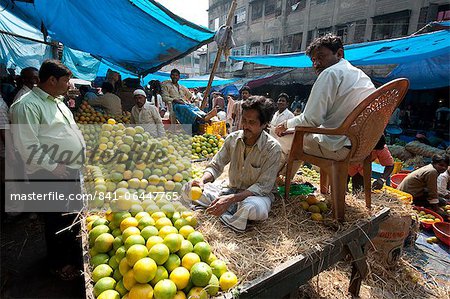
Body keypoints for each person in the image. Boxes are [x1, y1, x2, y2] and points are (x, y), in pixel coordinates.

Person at [10, 59, 86, 280]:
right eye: (66, 80)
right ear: (52, 80)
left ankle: (72, 256)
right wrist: (54, 168)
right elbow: (27, 144)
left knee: (72, 215)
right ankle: (59, 264)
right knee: (55, 219)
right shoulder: (26, 105)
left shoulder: (58, 102)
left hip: (69, 168)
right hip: (50, 173)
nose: (69, 85)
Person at [275, 34, 376, 178]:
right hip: (361, 147)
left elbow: (311, 120)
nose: (316, 64)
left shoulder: (330, 73)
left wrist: (284, 125)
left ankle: (274, 181)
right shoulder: (360, 75)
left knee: (283, 139)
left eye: (321, 57)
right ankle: (282, 178)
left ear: (339, 53)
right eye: (314, 60)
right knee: (296, 137)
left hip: (337, 146)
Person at [182, 96, 282, 232]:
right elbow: (216, 165)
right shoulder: (233, 139)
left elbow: (262, 186)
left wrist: (230, 199)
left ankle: (227, 211)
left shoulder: (272, 148)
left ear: (264, 124)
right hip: (230, 190)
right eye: (244, 120)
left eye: (252, 122)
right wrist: (202, 181)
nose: (246, 126)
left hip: (255, 197)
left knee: (251, 209)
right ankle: (229, 213)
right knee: (188, 189)